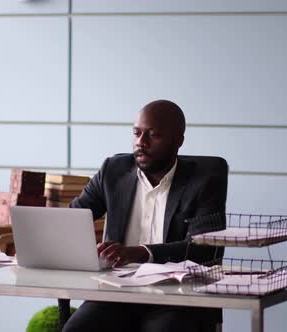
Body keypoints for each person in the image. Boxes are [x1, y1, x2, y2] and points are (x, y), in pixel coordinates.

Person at [63, 100, 228, 332]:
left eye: (153, 135)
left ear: (178, 141)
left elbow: (205, 248)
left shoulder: (205, 179)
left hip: (178, 297)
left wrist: (140, 252)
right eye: (137, 133)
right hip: (117, 292)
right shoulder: (113, 171)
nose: (141, 142)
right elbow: (72, 220)